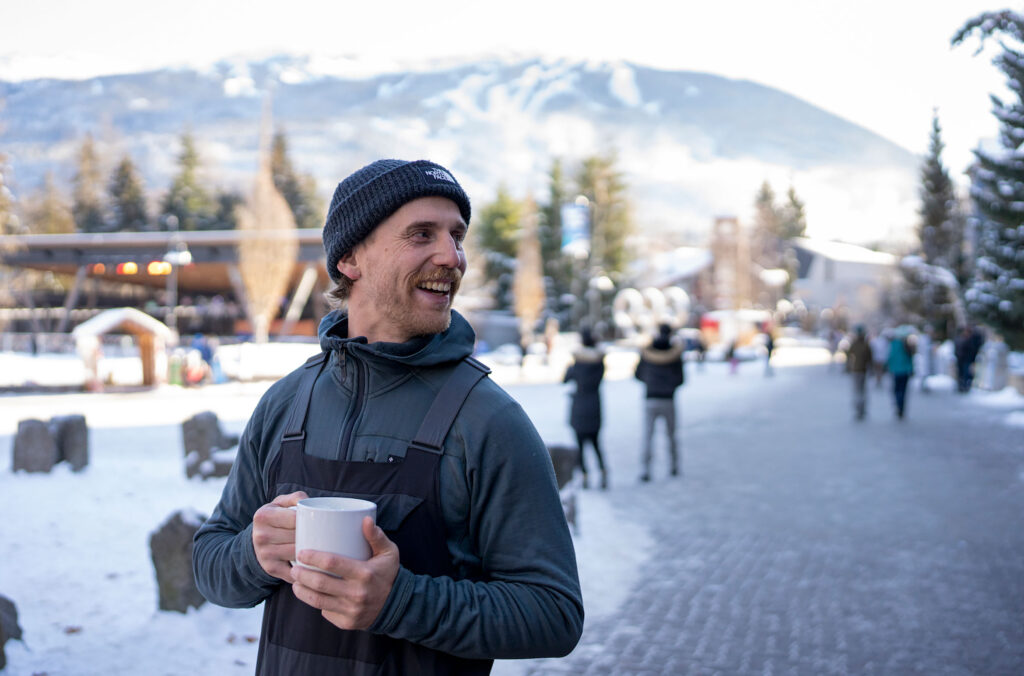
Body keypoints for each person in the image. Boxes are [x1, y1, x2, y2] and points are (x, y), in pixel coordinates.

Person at [193, 159, 583, 675]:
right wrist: (252, 553)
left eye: (456, 235)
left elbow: (553, 614)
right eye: (422, 234)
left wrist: (400, 602)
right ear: (351, 258)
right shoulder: (286, 403)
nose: (452, 256)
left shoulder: (489, 421)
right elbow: (210, 562)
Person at [635, 323, 685, 482]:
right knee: (671, 435)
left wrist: (651, 382)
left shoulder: (648, 352)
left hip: (651, 398)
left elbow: (638, 374)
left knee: (648, 436)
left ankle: (646, 469)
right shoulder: (675, 354)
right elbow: (681, 379)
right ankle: (674, 466)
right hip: (668, 399)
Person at [563, 327, 607, 489]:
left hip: (579, 407)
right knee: (596, 443)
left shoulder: (577, 363)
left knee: (580, 445)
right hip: (595, 406)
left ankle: (585, 475)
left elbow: (565, 379)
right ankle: (603, 472)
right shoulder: (599, 363)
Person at [844, 325, 873, 420]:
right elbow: (870, 358)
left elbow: (848, 354)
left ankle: (860, 409)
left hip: (858, 370)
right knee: (861, 391)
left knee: (858, 391)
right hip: (861, 370)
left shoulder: (858, 344)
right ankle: (860, 409)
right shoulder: (864, 344)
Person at [887, 328, 915, 419]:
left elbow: (890, 357)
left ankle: (898, 406)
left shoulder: (893, 344)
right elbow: (910, 359)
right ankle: (901, 407)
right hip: (904, 371)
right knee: (902, 390)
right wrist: (911, 369)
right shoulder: (906, 345)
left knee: (897, 390)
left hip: (896, 371)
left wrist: (889, 367)